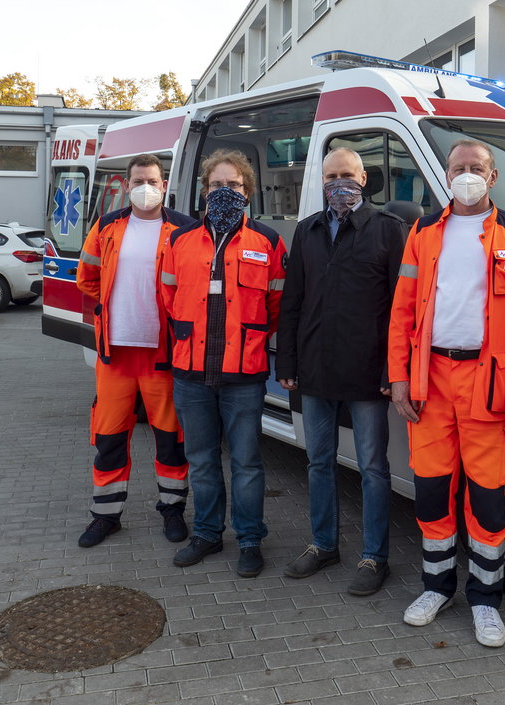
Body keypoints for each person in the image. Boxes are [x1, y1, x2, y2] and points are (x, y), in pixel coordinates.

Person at [388, 139, 505, 647]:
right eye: (458, 168)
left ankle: (485, 600)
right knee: (433, 493)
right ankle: (436, 587)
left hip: (491, 388)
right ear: (446, 175)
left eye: (475, 168)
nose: (466, 175)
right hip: (430, 382)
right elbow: (403, 311)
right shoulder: (423, 232)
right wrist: (397, 378)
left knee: (488, 502)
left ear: (493, 176)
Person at [276, 148, 407, 596]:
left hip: (368, 372)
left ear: (364, 178)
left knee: (372, 467)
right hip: (314, 368)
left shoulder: (389, 231)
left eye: (347, 175)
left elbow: (400, 310)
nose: (339, 183)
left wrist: (395, 370)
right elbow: (292, 301)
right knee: (318, 461)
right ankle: (323, 545)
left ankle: (375, 557)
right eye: (331, 176)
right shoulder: (307, 231)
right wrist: (287, 363)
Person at [160, 149, 287, 578]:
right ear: (204, 190)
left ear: (247, 190)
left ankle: (250, 538)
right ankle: (208, 534)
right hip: (191, 373)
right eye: (217, 185)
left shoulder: (267, 241)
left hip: (243, 375)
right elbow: (169, 299)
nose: (224, 192)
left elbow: (276, 305)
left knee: (248, 463)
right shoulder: (179, 240)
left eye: (233, 185)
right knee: (201, 460)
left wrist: (249, 338)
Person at [75, 153, 195, 548]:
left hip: (162, 353)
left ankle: (173, 511)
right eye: (138, 180)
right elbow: (87, 277)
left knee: (170, 438)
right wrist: (114, 309)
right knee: (109, 436)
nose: (146, 186)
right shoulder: (107, 225)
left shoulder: (183, 229)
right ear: (127, 185)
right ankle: (105, 516)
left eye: (153, 180)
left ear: (164, 185)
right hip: (116, 353)